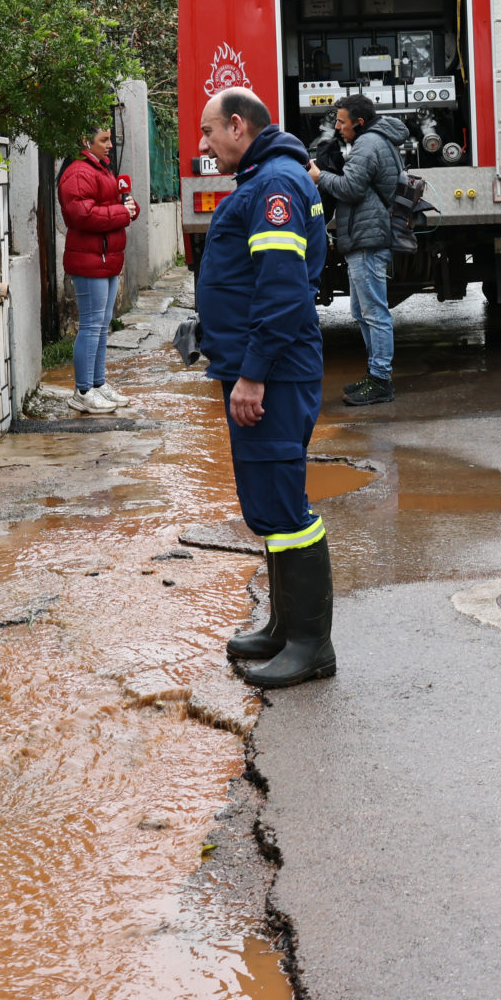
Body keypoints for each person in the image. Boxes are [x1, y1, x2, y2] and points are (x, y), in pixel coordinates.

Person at [196, 87, 336, 689]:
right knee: (269, 503)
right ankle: (284, 627)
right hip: (268, 366)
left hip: (272, 373)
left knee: (284, 504)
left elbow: (281, 291)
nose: (203, 145)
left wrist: (252, 373)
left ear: (235, 125)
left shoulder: (274, 185)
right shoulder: (270, 176)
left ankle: (311, 645)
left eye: (207, 133)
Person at [309, 93, 405, 407]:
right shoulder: (375, 140)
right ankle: (376, 372)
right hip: (365, 235)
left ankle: (381, 380)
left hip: (368, 237)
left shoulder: (368, 144)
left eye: (342, 121)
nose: (337, 127)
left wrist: (318, 176)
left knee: (374, 312)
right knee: (360, 311)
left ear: (359, 123)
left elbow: (350, 188)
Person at [59, 123, 140, 415]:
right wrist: (122, 212)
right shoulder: (78, 172)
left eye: (109, 139)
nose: (109, 145)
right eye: (103, 139)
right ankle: (83, 391)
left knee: (102, 325)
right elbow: (81, 214)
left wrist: (129, 207)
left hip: (106, 258)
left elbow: (116, 204)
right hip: (89, 260)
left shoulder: (102, 169)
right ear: (85, 140)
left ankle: (97, 383)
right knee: (92, 325)